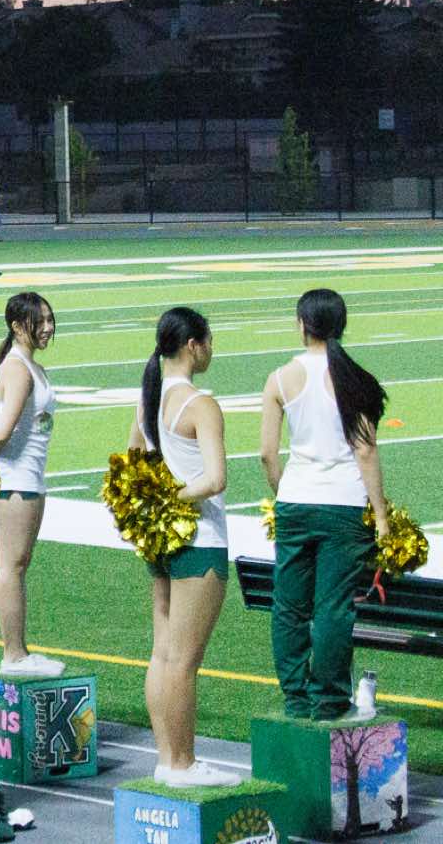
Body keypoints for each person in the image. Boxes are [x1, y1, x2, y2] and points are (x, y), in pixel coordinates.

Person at [258, 289, 392, 723]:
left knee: (289, 607)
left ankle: (296, 699)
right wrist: (381, 515)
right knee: (334, 608)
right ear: (341, 325)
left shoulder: (280, 378)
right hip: (344, 505)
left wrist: (284, 492)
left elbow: (267, 454)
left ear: (302, 325)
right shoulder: (355, 379)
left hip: (296, 501)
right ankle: (330, 701)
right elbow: (365, 450)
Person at [131, 306, 238, 787]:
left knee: (162, 654)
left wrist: (155, 505)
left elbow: (132, 461)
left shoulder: (148, 400)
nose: (211, 350)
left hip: (161, 542)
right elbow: (214, 480)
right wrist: (172, 498)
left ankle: (166, 759)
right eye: (208, 341)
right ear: (192, 345)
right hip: (200, 542)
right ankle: (184, 764)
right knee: (184, 662)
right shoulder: (200, 405)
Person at [0, 292, 62, 675]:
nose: (48, 327)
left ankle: (20, 650)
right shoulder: (17, 368)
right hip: (15, 479)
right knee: (11, 565)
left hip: (30, 477)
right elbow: (2, 432)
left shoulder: (30, 365)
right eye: (40, 321)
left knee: (18, 565)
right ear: (17, 327)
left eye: (50, 319)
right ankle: (13, 655)